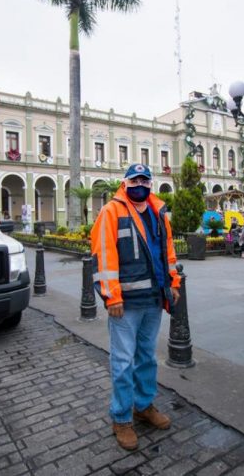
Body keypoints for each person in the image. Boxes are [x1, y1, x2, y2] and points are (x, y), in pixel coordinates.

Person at [91, 163, 182, 451]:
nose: (139, 184)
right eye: (134, 180)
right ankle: (121, 418)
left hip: (154, 299)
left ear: (150, 184)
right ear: (125, 183)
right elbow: (103, 255)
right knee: (122, 363)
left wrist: (174, 283)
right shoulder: (112, 212)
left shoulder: (158, 213)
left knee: (147, 358)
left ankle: (143, 406)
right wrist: (111, 296)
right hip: (125, 304)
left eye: (144, 179)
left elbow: (168, 251)